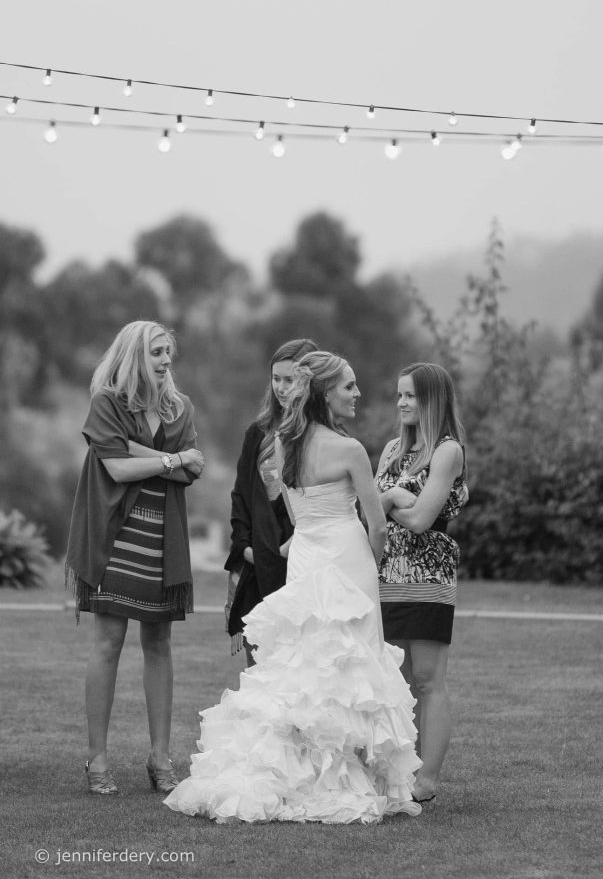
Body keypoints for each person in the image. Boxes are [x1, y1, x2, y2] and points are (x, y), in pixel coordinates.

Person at [165, 351, 422, 824]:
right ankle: (344, 775)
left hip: (306, 556)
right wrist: (376, 557)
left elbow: (302, 515)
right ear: (326, 393)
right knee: (352, 664)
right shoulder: (349, 450)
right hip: (347, 558)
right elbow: (376, 524)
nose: (357, 393)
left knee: (306, 663)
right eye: (349, 386)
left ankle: (297, 769)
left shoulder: (285, 445)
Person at [65, 320, 204, 796]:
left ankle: (160, 759)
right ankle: (97, 760)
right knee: (108, 641)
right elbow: (117, 467)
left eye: (169, 352)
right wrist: (171, 459)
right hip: (113, 535)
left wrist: (152, 457)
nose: (166, 361)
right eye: (157, 353)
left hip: (162, 539)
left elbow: (194, 470)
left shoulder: (180, 408)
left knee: (159, 643)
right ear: (134, 356)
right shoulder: (107, 401)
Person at [375, 362, 468, 804]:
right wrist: (394, 499)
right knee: (395, 677)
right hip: (385, 573)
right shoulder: (392, 449)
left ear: (432, 399)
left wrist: (391, 499)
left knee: (429, 679)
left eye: (410, 395)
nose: (402, 403)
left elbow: (421, 519)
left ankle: (426, 781)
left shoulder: (447, 451)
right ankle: (397, 769)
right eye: (399, 395)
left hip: (428, 574)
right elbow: (370, 512)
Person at [224, 338, 318, 666]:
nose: (280, 387)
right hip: (257, 566)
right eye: (275, 378)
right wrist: (246, 547)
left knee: (302, 670)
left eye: (288, 379)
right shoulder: (258, 434)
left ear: (309, 381)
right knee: (260, 672)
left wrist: (296, 546)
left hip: (304, 565)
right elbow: (241, 497)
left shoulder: (320, 437)